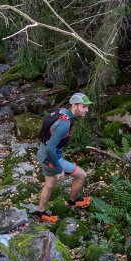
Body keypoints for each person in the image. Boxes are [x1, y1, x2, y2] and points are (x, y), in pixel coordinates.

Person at [32, 92, 93, 223]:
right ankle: (73, 201)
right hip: (50, 157)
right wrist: (59, 169)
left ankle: (40, 213)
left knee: (49, 184)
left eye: (87, 107)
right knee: (81, 175)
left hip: (44, 154)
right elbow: (51, 148)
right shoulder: (63, 124)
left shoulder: (63, 112)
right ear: (74, 106)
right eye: (84, 106)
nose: (87, 110)